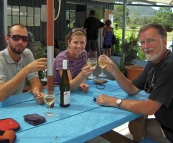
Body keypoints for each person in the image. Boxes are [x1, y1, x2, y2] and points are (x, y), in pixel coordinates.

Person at [95, 24, 173, 143]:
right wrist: (114, 69)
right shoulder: (153, 64)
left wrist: (113, 101)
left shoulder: (169, 66)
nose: (145, 46)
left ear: (164, 40)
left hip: (170, 132)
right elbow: (132, 88)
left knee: (135, 127)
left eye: (150, 40)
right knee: (134, 125)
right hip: (165, 123)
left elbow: (149, 108)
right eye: (142, 42)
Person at [0, 23, 47, 104]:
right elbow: (1, 96)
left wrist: (37, 93)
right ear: (7, 39)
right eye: (16, 37)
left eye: (24, 38)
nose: (20, 42)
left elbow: (34, 80)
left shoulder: (27, 54)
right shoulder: (1, 59)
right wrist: (26, 70)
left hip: (18, 103)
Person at [54, 28, 95, 92]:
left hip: (74, 87)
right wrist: (82, 74)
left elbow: (82, 76)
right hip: (58, 90)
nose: (79, 46)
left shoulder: (83, 53)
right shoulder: (62, 58)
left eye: (82, 42)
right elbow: (68, 86)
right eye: (75, 42)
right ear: (69, 43)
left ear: (85, 43)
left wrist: (82, 83)